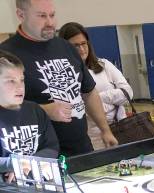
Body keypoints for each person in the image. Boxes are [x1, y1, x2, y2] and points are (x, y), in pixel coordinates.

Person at [0, 0, 117, 156]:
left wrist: (105, 130)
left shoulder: (66, 47)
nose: (50, 22)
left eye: (52, 15)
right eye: (42, 16)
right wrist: (45, 110)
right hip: (42, 155)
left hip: (82, 147)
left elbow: (88, 92)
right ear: (21, 15)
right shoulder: (6, 55)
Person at [59, 22, 133, 150]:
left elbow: (127, 93)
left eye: (83, 44)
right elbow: (73, 108)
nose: (82, 49)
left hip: (120, 129)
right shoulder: (62, 75)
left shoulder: (104, 65)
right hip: (89, 137)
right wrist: (109, 99)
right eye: (75, 46)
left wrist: (94, 98)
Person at [0, 50, 59, 179]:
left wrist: (29, 163)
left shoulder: (34, 110)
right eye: (11, 81)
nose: (20, 87)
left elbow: (52, 147)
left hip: (34, 183)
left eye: (22, 80)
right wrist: (14, 164)